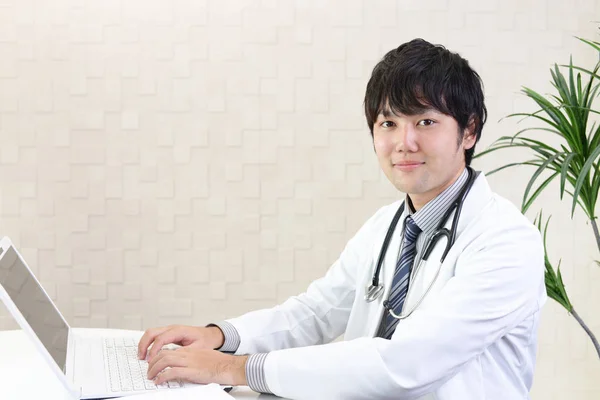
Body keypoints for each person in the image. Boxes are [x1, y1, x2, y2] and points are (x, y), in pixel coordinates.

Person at [137, 38, 546, 400]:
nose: (405, 142)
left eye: (425, 121)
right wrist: (221, 337)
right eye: (389, 123)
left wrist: (232, 367)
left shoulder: (506, 242)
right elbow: (315, 312)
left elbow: (406, 367)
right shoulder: (388, 226)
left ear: (469, 131)